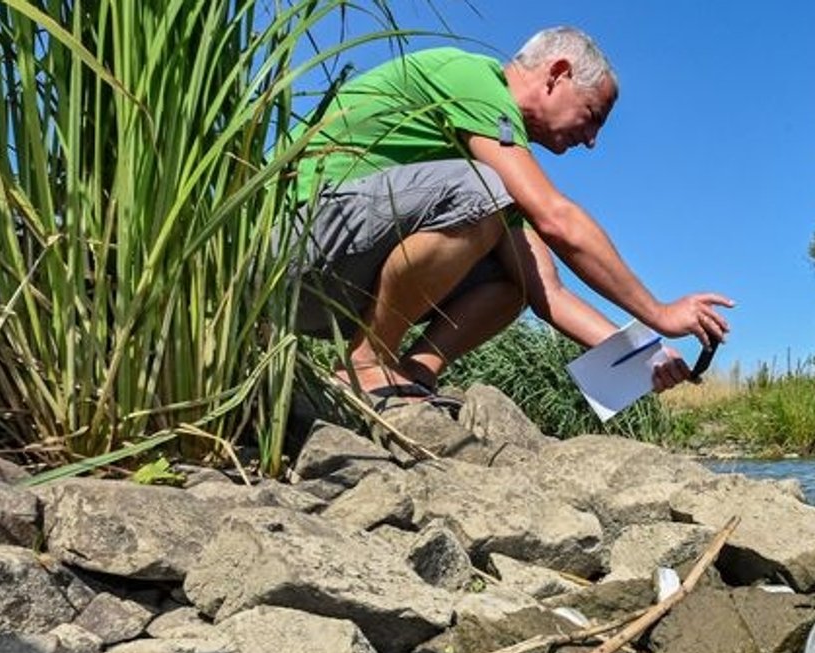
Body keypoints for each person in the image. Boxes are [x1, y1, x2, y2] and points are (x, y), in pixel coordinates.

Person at [281, 26, 731, 408]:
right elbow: (556, 218)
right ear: (558, 73)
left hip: (334, 277)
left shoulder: (489, 166)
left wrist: (643, 359)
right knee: (480, 190)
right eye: (593, 116)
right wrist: (659, 313)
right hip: (291, 250)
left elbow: (547, 292)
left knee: (517, 275)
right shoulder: (473, 80)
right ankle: (365, 362)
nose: (592, 140)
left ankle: (415, 373)